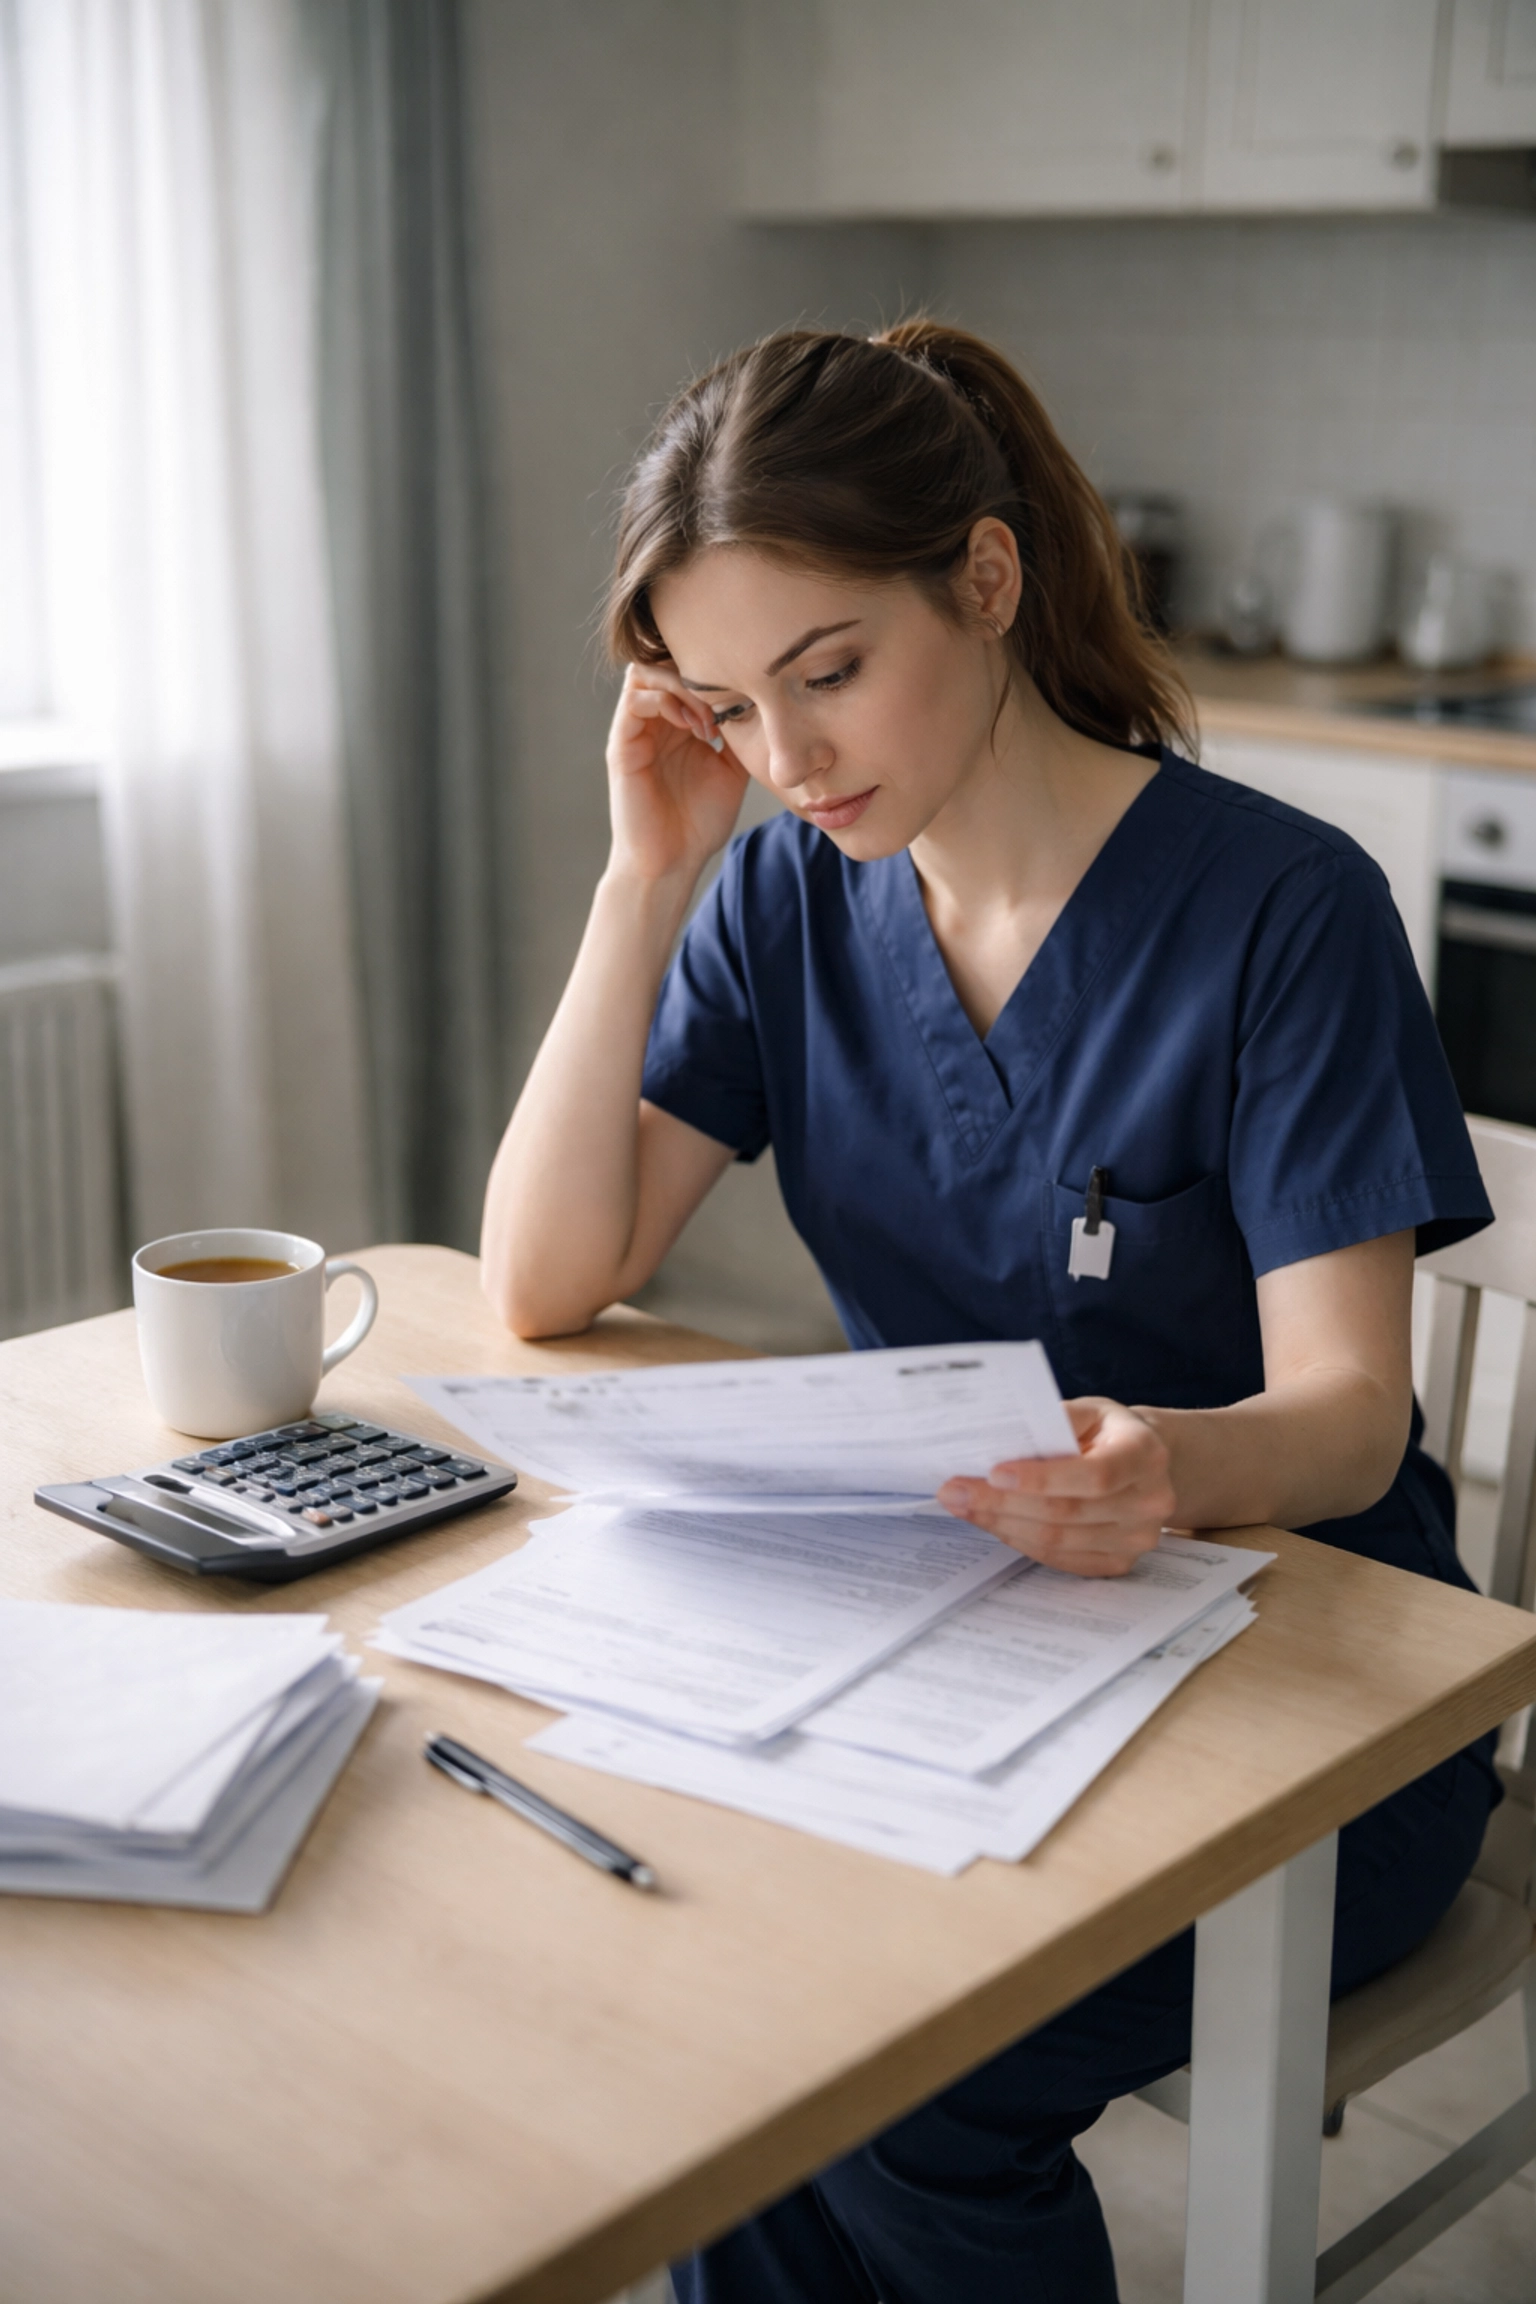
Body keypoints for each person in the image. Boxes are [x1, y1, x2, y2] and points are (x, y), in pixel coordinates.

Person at [480, 321, 1498, 2303]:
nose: (789, 761)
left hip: (1314, 1714)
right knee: (715, 2015)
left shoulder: (1283, 911)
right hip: (965, 1670)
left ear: (988, 577)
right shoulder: (782, 899)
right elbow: (543, 1276)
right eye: (730, 706)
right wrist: (642, 877)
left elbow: (1355, 1412)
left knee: (888, 2082)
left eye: (830, 675)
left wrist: (1172, 1471)